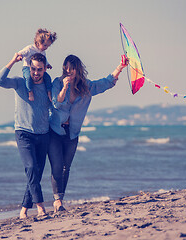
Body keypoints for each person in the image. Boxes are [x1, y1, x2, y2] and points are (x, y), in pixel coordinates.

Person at [48, 54, 129, 212]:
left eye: (72, 69)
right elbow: (56, 104)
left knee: (66, 167)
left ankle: (60, 199)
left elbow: (106, 83)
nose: (69, 71)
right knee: (57, 166)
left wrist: (120, 67)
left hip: (72, 132)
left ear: (78, 70)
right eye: (66, 69)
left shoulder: (86, 87)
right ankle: (57, 201)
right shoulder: (57, 83)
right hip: (55, 130)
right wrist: (65, 87)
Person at [0, 52, 51, 219]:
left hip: (43, 134)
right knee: (31, 168)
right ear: (29, 68)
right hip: (24, 133)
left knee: (36, 174)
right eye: (33, 69)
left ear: (45, 69)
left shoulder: (48, 87)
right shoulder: (20, 82)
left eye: (39, 69)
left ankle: (24, 209)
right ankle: (40, 207)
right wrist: (13, 60)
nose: (36, 73)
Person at [18, 28, 57, 102]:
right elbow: (21, 53)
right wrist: (20, 56)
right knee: (28, 77)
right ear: (38, 42)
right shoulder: (30, 48)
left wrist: (48, 65)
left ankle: (49, 92)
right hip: (27, 68)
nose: (46, 48)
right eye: (45, 45)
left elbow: (44, 60)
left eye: (48, 46)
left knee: (47, 78)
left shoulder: (43, 52)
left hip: (39, 69)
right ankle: (30, 92)